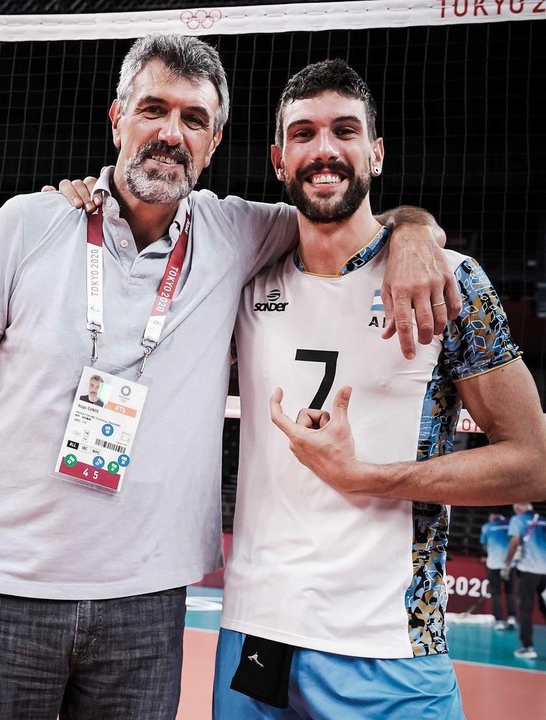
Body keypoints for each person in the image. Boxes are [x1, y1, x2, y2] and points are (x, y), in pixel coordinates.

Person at [0, 35, 458, 720]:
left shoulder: (235, 232)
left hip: (148, 608)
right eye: (153, 109)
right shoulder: (29, 223)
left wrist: (416, 227)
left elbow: (338, 208)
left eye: (193, 118)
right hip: (7, 593)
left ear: (214, 144)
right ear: (117, 118)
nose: (170, 132)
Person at [213, 59, 546, 719]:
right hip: (255, 634)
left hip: (389, 648)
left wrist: (369, 477)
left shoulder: (451, 283)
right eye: (304, 133)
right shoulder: (244, 288)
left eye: (344, 130)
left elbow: (534, 461)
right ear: (279, 160)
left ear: (377, 152)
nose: (325, 149)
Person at [503, 502, 546, 659]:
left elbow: (514, 542)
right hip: (545, 573)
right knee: (544, 607)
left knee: (526, 608)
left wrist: (507, 563)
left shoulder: (518, 519)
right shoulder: (542, 519)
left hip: (529, 571)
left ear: (520, 506)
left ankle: (528, 647)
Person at [480, 511, 517, 629]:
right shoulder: (511, 524)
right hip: (509, 565)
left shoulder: (487, 527)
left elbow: (484, 546)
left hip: (494, 564)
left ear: (492, 516)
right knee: (510, 592)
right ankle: (512, 619)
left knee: (495, 593)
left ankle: (499, 621)